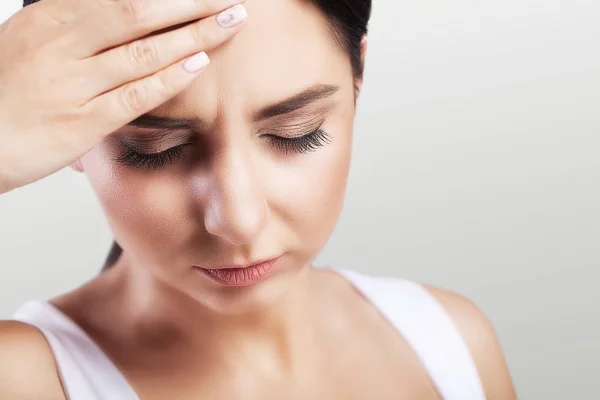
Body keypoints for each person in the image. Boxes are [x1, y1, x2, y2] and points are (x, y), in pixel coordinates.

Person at [0, 0, 517, 399]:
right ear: (67, 132)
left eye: (297, 134)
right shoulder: (25, 381)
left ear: (358, 76)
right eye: (158, 148)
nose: (239, 220)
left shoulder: (452, 342)